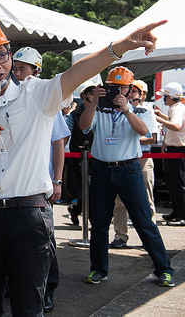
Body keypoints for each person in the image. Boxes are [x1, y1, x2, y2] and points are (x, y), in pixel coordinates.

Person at [0, 19, 166, 315]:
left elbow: (78, 72)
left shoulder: (37, 93)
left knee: (29, 305)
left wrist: (123, 46)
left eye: (1, 55)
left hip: (29, 215)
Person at [79, 67, 174, 287]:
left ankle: (164, 269)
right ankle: (98, 270)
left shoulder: (141, 111)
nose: (118, 92)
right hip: (102, 169)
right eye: (113, 88)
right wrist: (93, 102)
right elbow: (84, 126)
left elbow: (144, 133)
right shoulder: (98, 110)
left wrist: (126, 109)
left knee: (143, 221)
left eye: (123, 88)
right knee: (100, 223)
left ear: (131, 90)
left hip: (129, 169)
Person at [13, 46, 70, 313]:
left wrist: (57, 180)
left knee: (45, 241)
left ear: (36, 70)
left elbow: (59, 143)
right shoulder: (11, 97)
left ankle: (49, 289)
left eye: (22, 68)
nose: (17, 73)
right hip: (18, 187)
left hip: (41, 186)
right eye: (15, 68)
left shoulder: (46, 98)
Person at [110, 79, 158, 247]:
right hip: (122, 160)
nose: (130, 93)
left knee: (146, 199)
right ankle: (120, 235)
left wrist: (131, 139)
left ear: (142, 94)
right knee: (119, 201)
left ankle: (150, 237)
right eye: (125, 89)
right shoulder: (114, 111)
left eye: (134, 91)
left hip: (142, 160)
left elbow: (152, 137)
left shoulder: (145, 111)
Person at [66, 80, 97, 225]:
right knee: (86, 188)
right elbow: (65, 134)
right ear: (83, 95)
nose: (95, 95)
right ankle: (91, 219)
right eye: (92, 93)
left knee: (93, 190)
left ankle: (76, 209)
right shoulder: (73, 115)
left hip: (96, 157)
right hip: (79, 157)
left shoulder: (101, 111)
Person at [154, 82, 185, 226]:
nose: (164, 99)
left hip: (178, 150)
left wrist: (158, 119)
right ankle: (177, 210)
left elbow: (176, 126)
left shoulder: (177, 109)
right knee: (173, 182)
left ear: (170, 97)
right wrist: (162, 116)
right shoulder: (176, 108)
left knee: (178, 183)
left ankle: (182, 214)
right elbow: (174, 123)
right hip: (175, 149)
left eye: (165, 96)